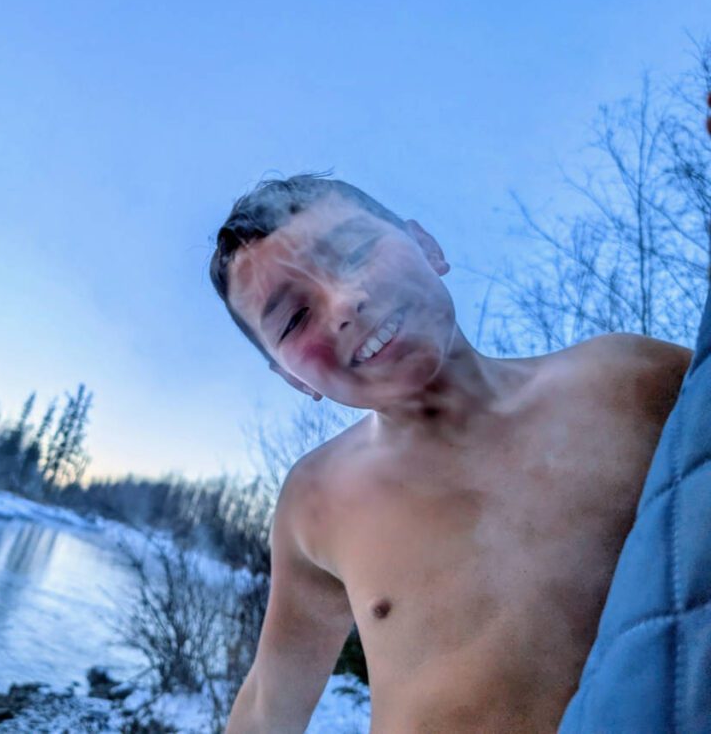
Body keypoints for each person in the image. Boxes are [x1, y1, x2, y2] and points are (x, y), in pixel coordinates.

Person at [208, 175, 693, 732]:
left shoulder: (628, 380)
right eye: (294, 319)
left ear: (427, 245)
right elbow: (267, 703)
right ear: (293, 377)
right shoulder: (315, 503)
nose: (344, 303)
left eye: (354, 252)